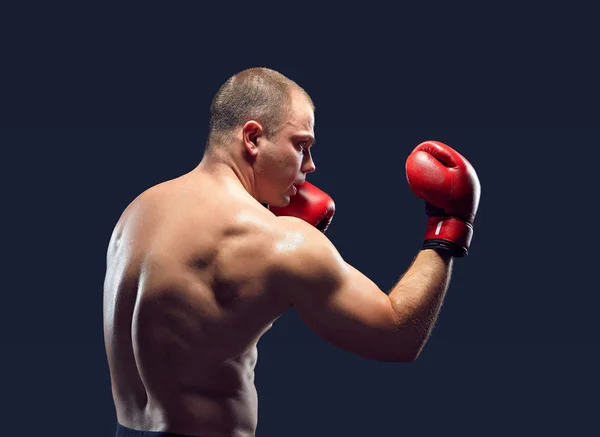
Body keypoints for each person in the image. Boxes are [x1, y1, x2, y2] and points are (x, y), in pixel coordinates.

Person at [103, 67, 481, 437]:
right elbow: (399, 337)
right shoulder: (278, 241)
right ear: (253, 138)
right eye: (301, 145)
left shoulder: (137, 211)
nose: (310, 165)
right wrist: (448, 225)